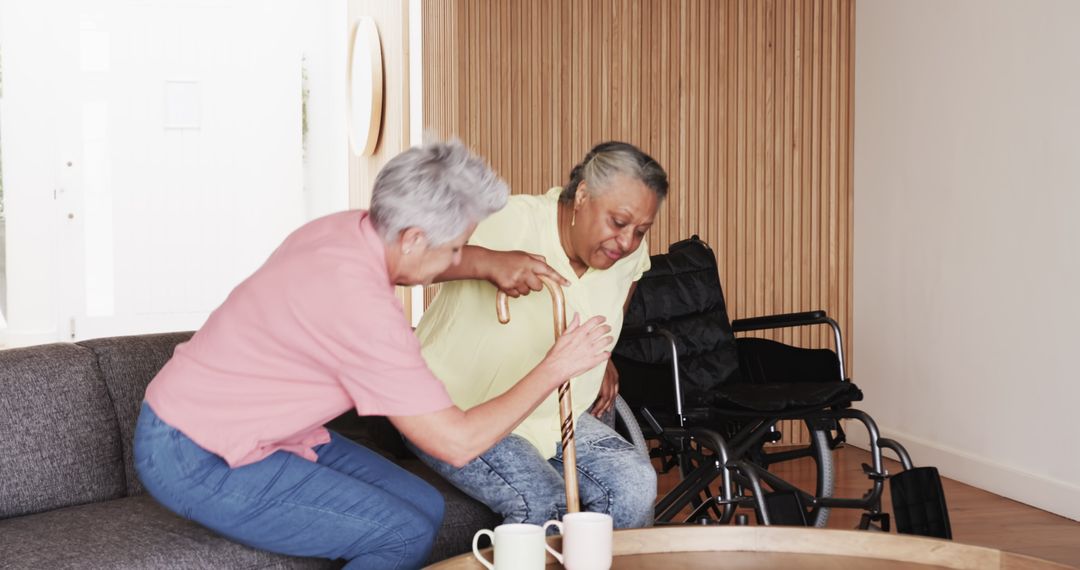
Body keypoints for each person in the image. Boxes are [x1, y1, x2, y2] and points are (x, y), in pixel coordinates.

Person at [132, 140, 613, 570]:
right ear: (413, 239)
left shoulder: (348, 230)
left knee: (425, 507)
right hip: (194, 451)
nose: (456, 259)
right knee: (402, 535)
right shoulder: (363, 310)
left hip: (259, 427)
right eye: (456, 248)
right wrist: (556, 367)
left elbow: (414, 261)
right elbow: (458, 443)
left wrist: (488, 262)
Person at [411, 141, 668, 529]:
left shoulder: (629, 252)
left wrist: (604, 355)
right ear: (583, 195)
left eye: (640, 230)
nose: (627, 242)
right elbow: (407, 257)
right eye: (618, 223)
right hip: (459, 409)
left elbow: (619, 293)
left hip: (551, 416)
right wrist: (488, 262)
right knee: (545, 500)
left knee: (635, 483)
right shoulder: (510, 219)